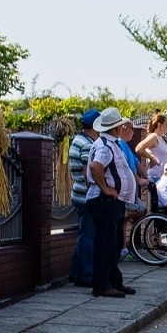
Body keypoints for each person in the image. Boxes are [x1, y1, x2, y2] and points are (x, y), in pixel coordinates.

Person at [84, 108, 137, 299]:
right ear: (116, 127)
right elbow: (95, 166)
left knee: (113, 243)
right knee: (106, 244)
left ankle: (114, 281)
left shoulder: (108, 143)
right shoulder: (106, 146)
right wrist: (106, 189)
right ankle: (102, 284)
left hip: (111, 201)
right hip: (105, 200)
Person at [68, 108, 100, 288]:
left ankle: (76, 271)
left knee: (84, 235)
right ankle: (85, 275)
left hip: (78, 193)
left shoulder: (79, 140)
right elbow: (89, 172)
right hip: (86, 196)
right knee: (88, 236)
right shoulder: (88, 144)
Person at [135, 113, 167, 183]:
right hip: (157, 177)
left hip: (165, 179)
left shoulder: (162, 139)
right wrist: (152, 159)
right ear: (160, 125)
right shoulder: (154, 137)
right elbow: (139, 148)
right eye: (166, 124)